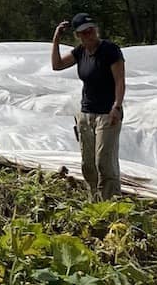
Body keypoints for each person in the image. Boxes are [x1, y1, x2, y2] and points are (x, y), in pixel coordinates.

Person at [51, 13, 126, 200]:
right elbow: (57, 65)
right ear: (78, 35)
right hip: (86, 114)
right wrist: (56, 39)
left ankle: (110, 203)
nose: (88, 35)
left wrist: (116, 106)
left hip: (107, 114)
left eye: (91, 30)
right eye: (83, 33)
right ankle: (94, 201)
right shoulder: (80, 52)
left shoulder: (110, 50)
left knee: (104, 163)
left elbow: (120, 80)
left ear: (96, 30)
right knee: (88, 164)